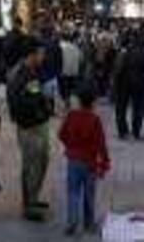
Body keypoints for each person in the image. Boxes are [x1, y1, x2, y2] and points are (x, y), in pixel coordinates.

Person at [7, 37, 52, 222]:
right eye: (41, 53)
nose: (43, 56)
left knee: (41, 162)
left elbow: (35, 94)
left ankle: (33, 198)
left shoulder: (31, 71)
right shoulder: (20, 74)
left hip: (38, 123)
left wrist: (43, 104)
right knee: (31, 165)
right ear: (32, 54)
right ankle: (29, 206)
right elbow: (20, 103)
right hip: (29, 126)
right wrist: (42, 105)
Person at [58, 84, 110, 236]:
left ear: (78, 101)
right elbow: (101, 143)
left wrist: (70, 146)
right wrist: (105, 162)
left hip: (73, 160)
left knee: (73, 192)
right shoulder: (95, 119)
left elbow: (61, 134)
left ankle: (71, 222)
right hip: (90, 162)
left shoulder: (71, 116)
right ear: (93, 102)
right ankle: (89, 223)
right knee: (89, 193)